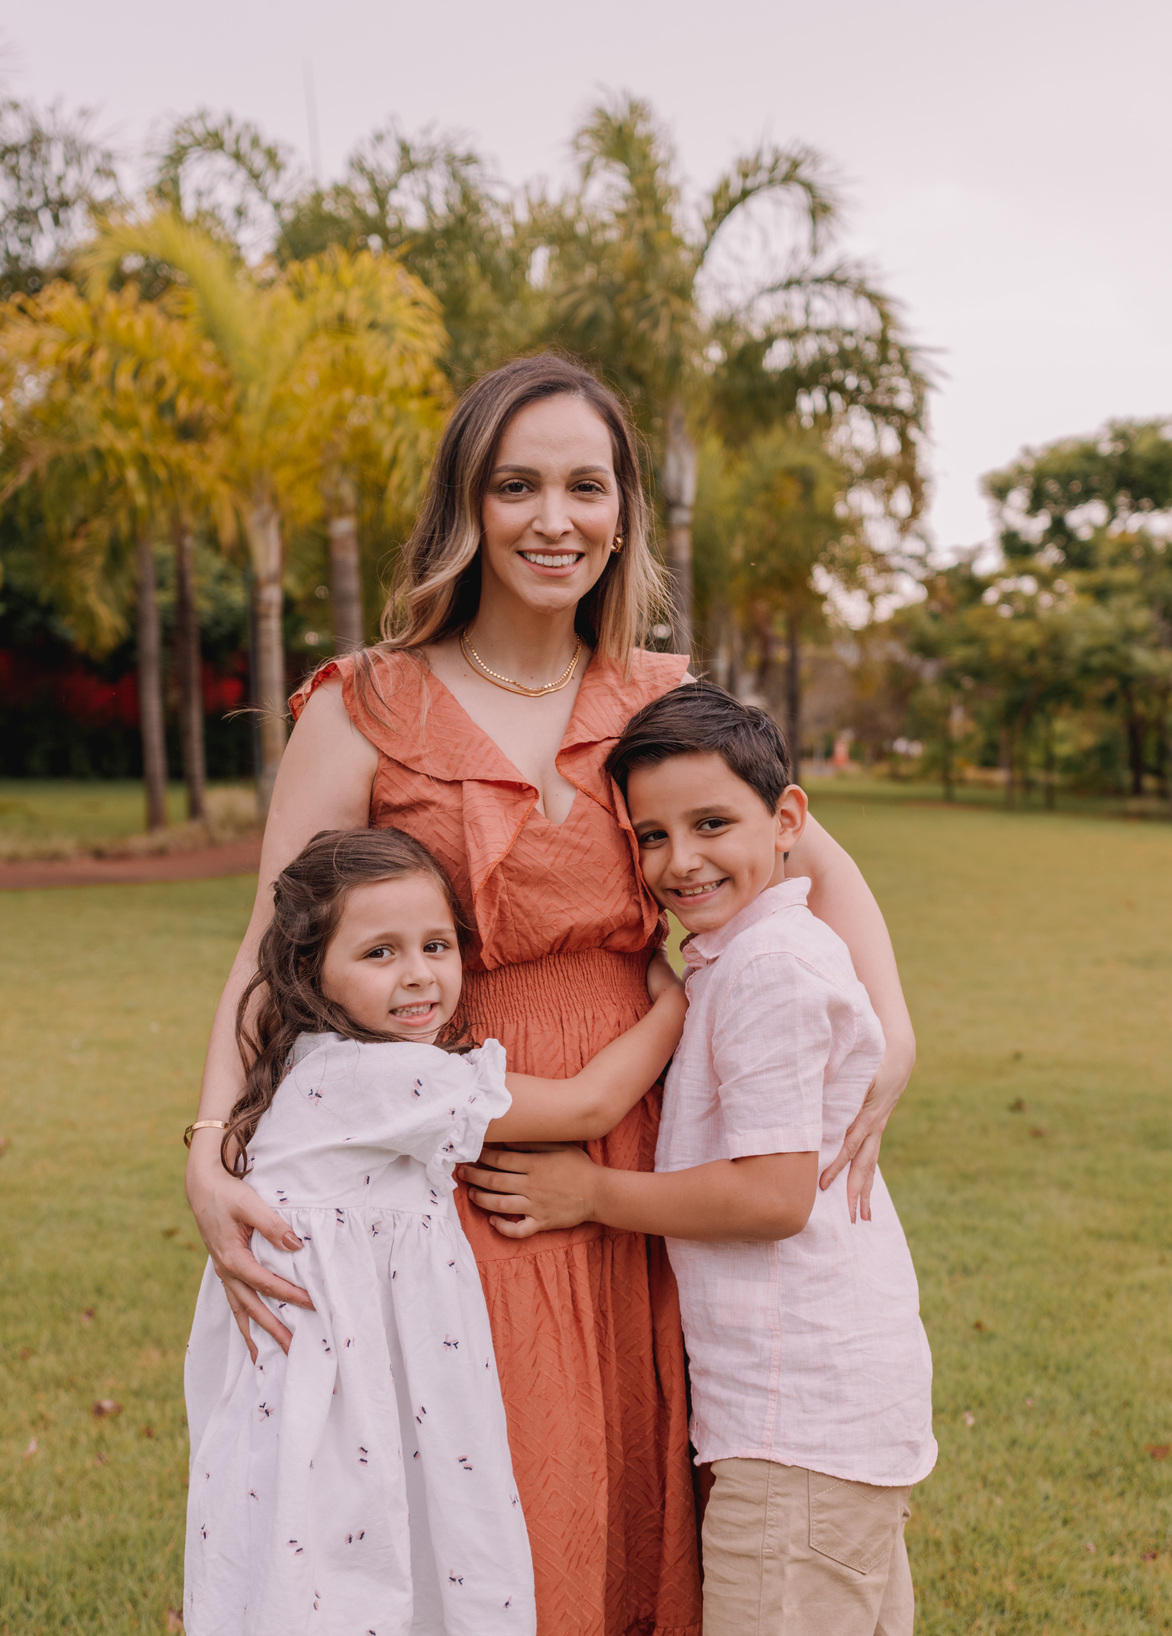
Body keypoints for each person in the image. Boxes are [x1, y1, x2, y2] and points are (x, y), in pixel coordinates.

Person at [185, 352, 919, 1636]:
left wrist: (894, 1038)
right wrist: (210, 1148)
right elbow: (271, 939)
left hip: (654, 1139)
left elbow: (816, 855)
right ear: (465, 504)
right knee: (511, 1492)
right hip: (474, 1152)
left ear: (624, 510)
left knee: (657, 1482)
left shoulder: (663, 694)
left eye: (587, 485)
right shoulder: (365, 704)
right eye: (516, 484)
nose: (553, 518)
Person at [462, 682, 936, 1636]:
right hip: (828, 1413)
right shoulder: (744, 954)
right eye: (651, 837)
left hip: (794, 1426)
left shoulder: (770, 970)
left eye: (712, 823)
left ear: (788, 818)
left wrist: (590, 1191)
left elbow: (771, 1196)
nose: (681, 862)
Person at [184, 825, 686, 1636]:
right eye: (380, 954)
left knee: (313, 1567)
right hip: (342, 1380)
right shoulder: (393, 1077)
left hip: (307, 1376)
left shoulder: (312, 1062)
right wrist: (676, 1002)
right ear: (311, 972)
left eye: (437, 945)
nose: (419, 976)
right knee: (375, 1555)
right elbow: (593, 1105)